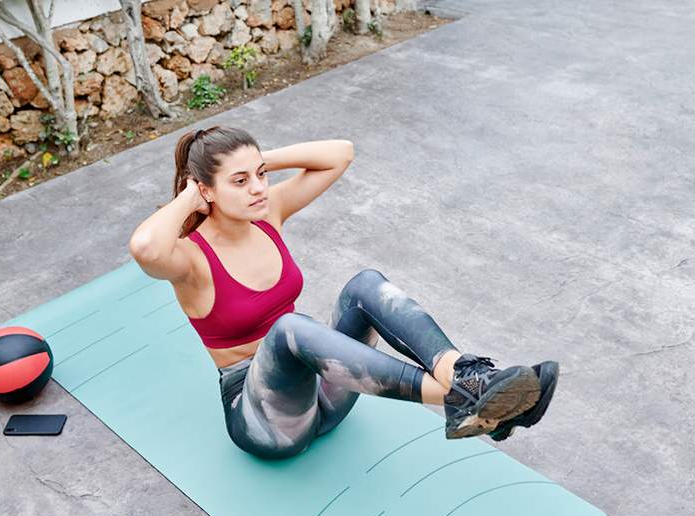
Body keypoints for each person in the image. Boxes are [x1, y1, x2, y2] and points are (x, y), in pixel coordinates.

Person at [129, 125, 559, 459]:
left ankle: (466, 375)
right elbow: (146, 247)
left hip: (324, 397)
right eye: (239, 181)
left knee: (364, 285)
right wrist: (190, 194)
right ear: (206, 190)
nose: (259, 188)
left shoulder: (268, 214)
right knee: (290, 328)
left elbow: (340, 153)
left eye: (260, 175)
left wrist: (259, 159)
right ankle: (459, 400)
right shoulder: (189, 259)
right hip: (266, 423)